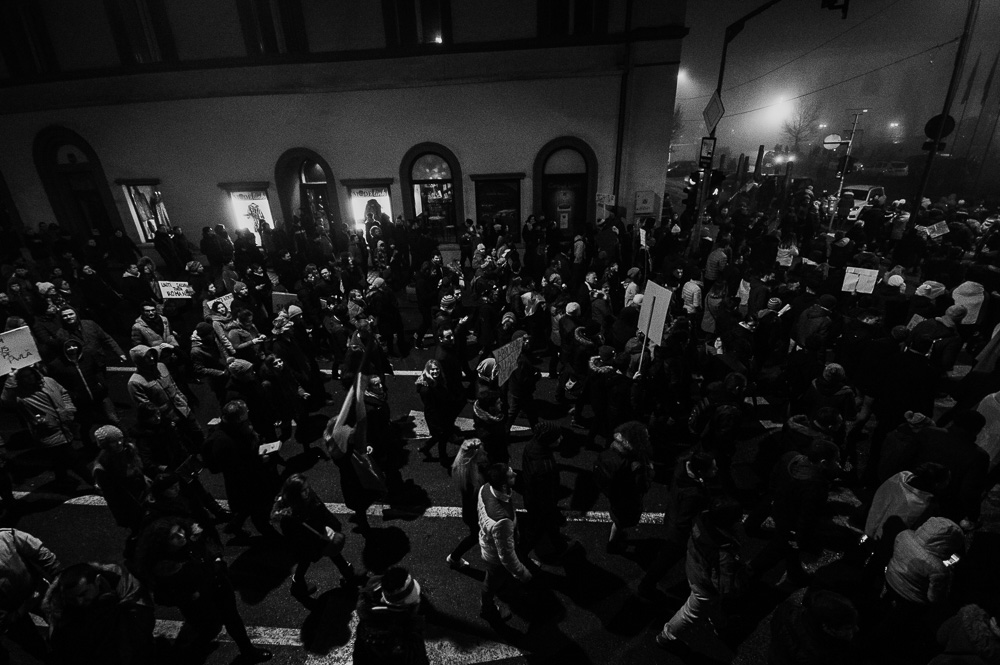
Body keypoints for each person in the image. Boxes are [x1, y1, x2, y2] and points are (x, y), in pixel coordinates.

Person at [134, 516, 272, 663]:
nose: (181, 535)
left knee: (232, 618)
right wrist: (189, 596)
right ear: (163, 544)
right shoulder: (164, 567)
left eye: (180, 530)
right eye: (173, 536)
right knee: (209, 629)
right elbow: (163, 597)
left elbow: (209, 546)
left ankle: (247, 651)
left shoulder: (192, 540)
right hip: (200, 602)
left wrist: (217, 558)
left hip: (218, 585)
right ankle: (189, 655)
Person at [656, 497, 744, 654]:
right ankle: (666, 636)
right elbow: (723, 586)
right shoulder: (723, 552)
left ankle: (720, 624)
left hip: (694, 568)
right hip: (705, 586)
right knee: (689, 614)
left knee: (711, 605)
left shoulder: (702, 519)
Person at [638, 449, 718, 601]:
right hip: (679, 535)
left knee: (665, 559)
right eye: (712, 468)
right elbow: (684, 522)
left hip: (672, 516)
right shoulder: (693, 494)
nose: (716, 470)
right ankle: (645, 586)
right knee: (665, 560)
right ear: (700, 471)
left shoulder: (683, 466)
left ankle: (646, 585)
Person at [270, 474, 366, 598]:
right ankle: (298, 583)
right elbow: (295, 538)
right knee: (305, 561)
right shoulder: (288, 516)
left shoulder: (309, 496)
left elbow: (322, 510)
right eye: (303, 490)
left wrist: (333, 526)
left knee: (333, 552)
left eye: (307, 488)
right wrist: (318, 539)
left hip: (318, 533)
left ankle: (348, 574)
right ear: (294, 494)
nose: (307, 492)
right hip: (306, 542)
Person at [43, 561, 155, 665]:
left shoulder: (120, 585)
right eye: (72, 598)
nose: (79, 602)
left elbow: (142, 620)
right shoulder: (62, 617)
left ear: (98, 580)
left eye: (83, 594)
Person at [1, 365, 92, 487]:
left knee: (58, 458)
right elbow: (5, 401)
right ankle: (95, 483)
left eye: (31, 374)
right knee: (74, 459)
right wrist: (10, 379)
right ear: (19, 380)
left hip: (65, 426)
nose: (30, 378)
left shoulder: (48, 381)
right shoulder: (18, 394)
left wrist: (69, 409)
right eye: (25, 377)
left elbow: (63, 393)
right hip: (47, 431)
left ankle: (61, 479)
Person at [202, 400, 281, 540]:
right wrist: (259, 460)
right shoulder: (224, 441)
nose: (248, 412)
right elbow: (237, 465)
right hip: (245, 483)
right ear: (239, 418)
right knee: (258, 511)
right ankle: (272, 537)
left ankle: (235, 526)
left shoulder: (231, 429)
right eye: (246, 412)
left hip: (244, 482)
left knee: (244, 508)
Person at [478, 462, 532, 622]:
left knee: (497, 578)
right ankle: (487, 609)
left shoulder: (486, 488)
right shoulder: (502, 520)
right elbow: (506, 556)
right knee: (491, 582)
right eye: (510, 475)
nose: (515, 474)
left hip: (491, 542)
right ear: (503, 484)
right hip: (494, 557)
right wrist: (523, 573)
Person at [0, 528, 61, 665]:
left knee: (62, 623)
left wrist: (57, 578)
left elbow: (40, 552)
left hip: (38, 591)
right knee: (33, 645)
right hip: (12, 615)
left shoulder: (5, 537)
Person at [592, 421, 654, 553]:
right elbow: (643, 486)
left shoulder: (614, 448)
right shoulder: (636, 463)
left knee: (618, 517)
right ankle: (612, 544)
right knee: (621, 522)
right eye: (645, 436)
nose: (648, 438)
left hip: (614, 493)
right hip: (627, 499)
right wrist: (650, 471)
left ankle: (615, 537)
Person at [353, 566, 430, 665]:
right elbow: (418, 659)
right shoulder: (403, 640)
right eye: (413, 601)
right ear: (400, 607)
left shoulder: (368, 606)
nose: (418, 600)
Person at [768, 590, 866, 665]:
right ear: (827, 628)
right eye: (848, 628)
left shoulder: (787, 611)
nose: (856, 629)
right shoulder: (820, 656)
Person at [447, 438, 488, 570]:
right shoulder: (477, 478)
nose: (485, 454)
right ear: (474, 458)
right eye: (482, 453)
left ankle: (454, 557)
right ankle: (454, 557)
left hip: (470, 513)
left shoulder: (462, 470)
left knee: (476, 535)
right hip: (477, 514)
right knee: (477, 536)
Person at [415, 359, 459, 468]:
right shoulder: (426, 389)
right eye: (432, 370)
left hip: (441, 413)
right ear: (428, 370)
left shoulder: (437, 380)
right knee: (442, 437)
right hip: (435, 417)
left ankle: (426, 448)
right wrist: (436, 423)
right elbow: (430, 408)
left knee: (438, 436)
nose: (435, 372)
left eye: (437, 369)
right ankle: (443, 458)